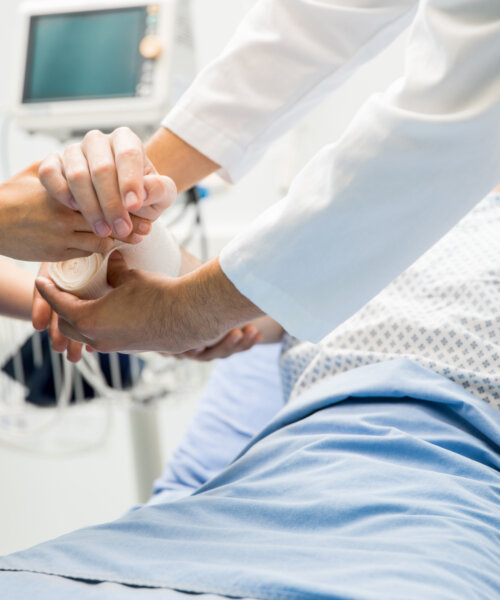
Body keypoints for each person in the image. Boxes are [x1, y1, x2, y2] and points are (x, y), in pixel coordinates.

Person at [1, 189, 499, 599]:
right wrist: (171, 299)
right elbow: (244, 308)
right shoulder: (382, 208)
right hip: (284, 469)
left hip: (445, 480)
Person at [31, 0, 500, 360]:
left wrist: (192, 310)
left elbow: (465, 107)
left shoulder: (457, 211)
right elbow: (313, 22)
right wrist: (124, 195)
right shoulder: (306, 260)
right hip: (302, 435)